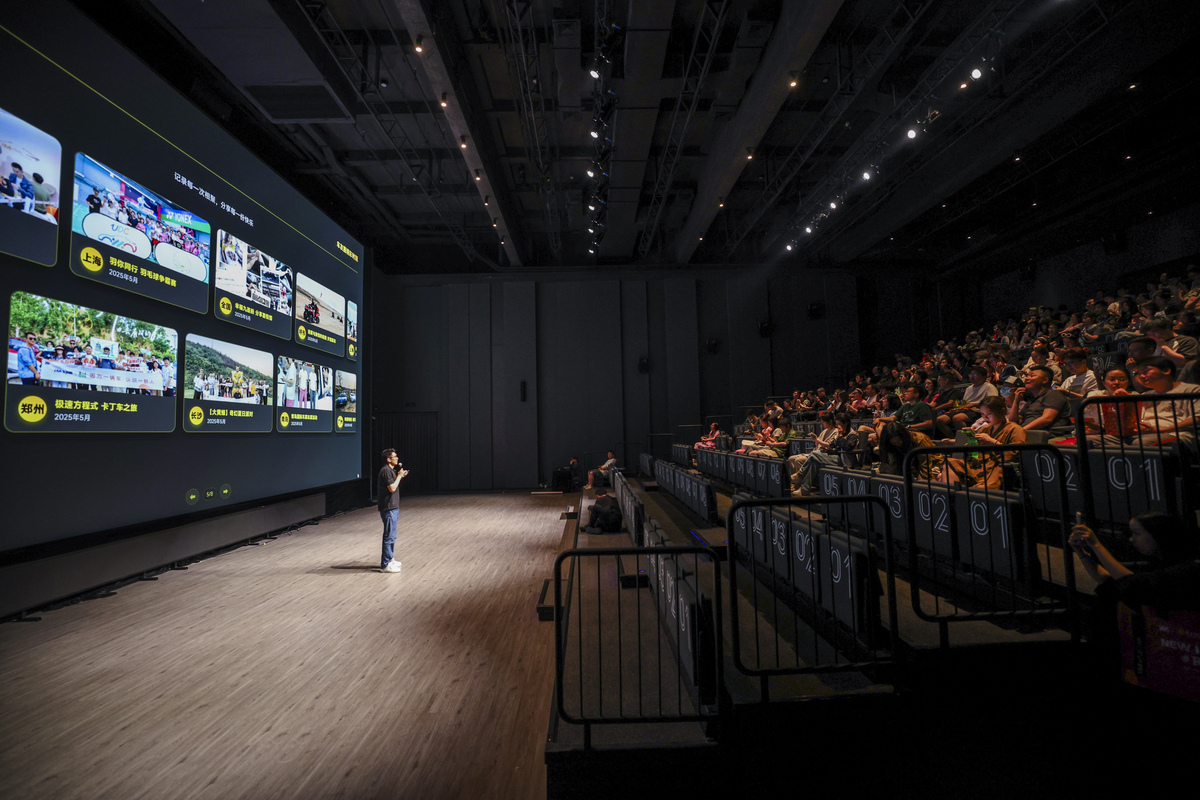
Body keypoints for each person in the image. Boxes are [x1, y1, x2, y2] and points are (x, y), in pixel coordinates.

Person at [1070, 513, 1200, 617]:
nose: (1131, 539)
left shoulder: (1185, 569)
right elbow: (1109, 580)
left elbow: (1132, 585)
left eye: (1137, 533)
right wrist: (1082, 554)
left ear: (1158, 534)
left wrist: (1096, 545)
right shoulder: (1158, 563)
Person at [377, 449, 408, 573]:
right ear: (388, 459)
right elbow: (392, 488)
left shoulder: (390, 471)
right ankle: (385, 564)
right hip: (388, 508)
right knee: (389, 536)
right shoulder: (385, 471)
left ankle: (390, 558)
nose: (397, 458)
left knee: (392, 536)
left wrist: (400, 475)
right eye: (394, 457)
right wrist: (399, 476)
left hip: (393, 507)